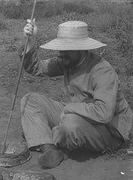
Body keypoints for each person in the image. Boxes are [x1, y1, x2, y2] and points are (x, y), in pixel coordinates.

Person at [19, 20, 133, 168]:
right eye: (61, 48)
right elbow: (37, 68)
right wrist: (30, 43)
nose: (62, 53)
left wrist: (68, 109)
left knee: (70, 124)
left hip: (109, 129)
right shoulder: (67, 61)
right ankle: (50, 148)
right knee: (30, 100)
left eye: (68, 49)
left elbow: (104, 113)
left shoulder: (102, 70)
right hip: (79, 116)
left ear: (82, 49)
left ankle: (52, 139)